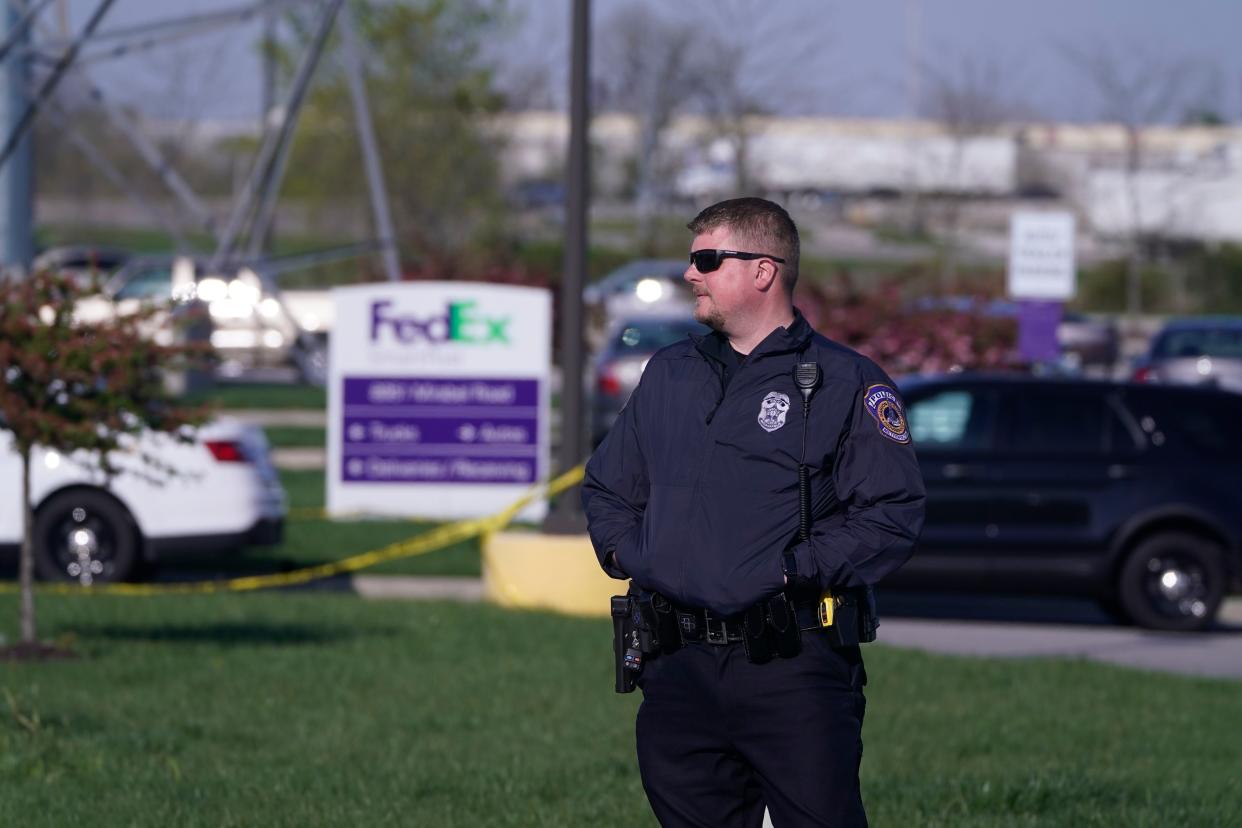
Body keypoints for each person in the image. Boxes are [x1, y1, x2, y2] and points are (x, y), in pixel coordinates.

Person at [582, 197, 926, 827]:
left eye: (707, 260)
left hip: (789, 666)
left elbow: (890, 513)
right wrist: (635, 556)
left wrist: (792, 570)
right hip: (676, 665)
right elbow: (607, 489)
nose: (691, 274)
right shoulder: (670, 373)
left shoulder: (846, 383)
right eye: (693, 261)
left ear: (764, 270)